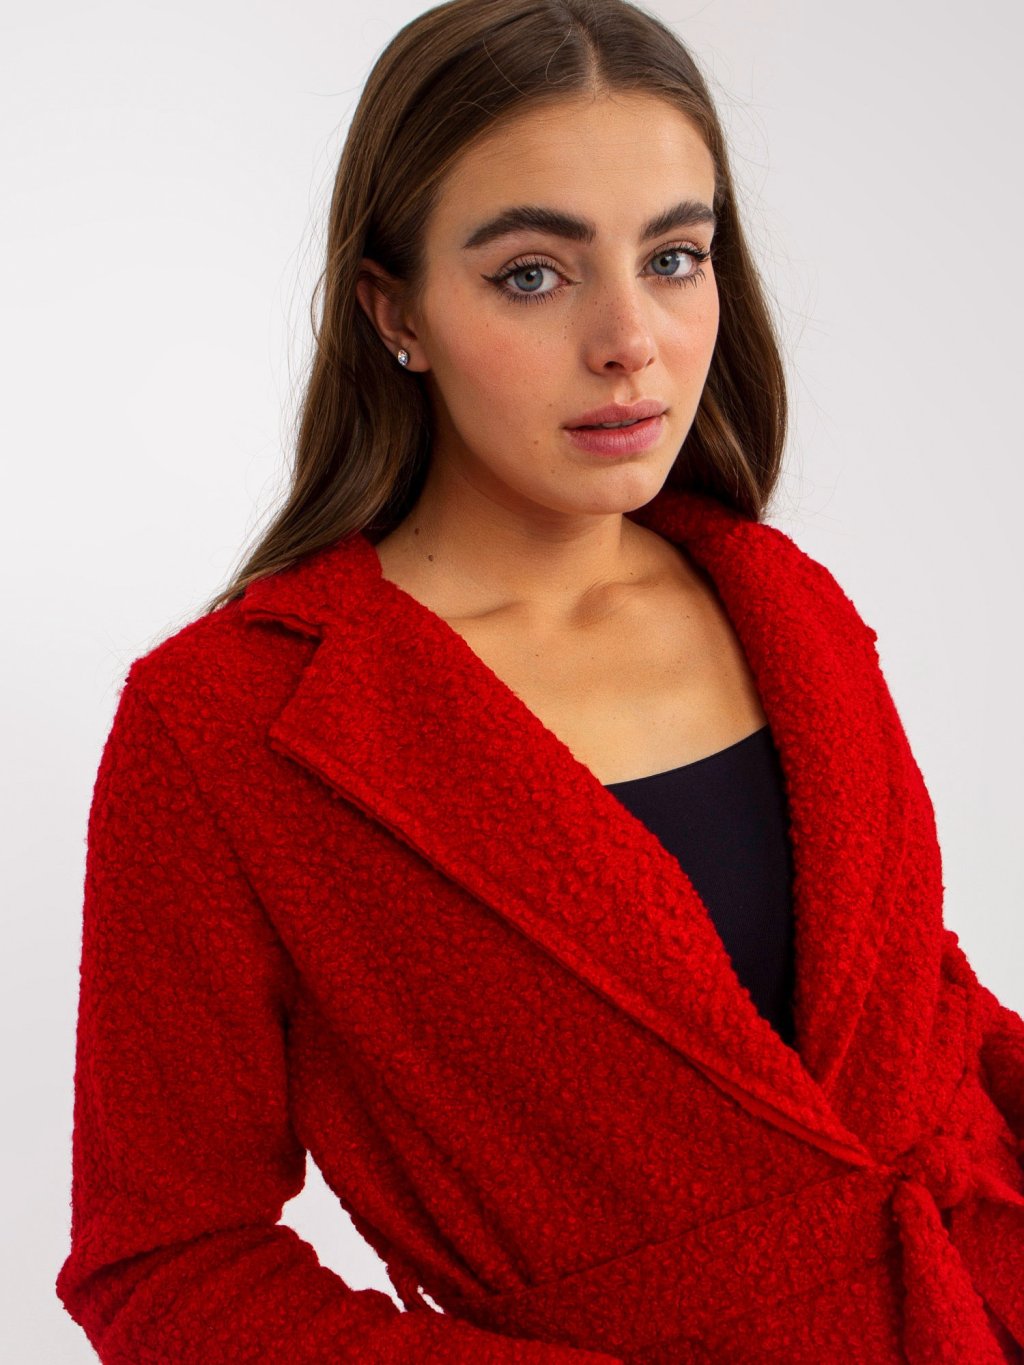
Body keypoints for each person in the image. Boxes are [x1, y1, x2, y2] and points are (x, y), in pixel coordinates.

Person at [55, 1, 1024, 1361]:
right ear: (394, 310)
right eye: (532, 274)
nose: (630, 338)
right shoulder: (229, 727)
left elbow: (921, 1015)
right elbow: (165, 1262)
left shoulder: (783, 600)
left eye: (674, 257)